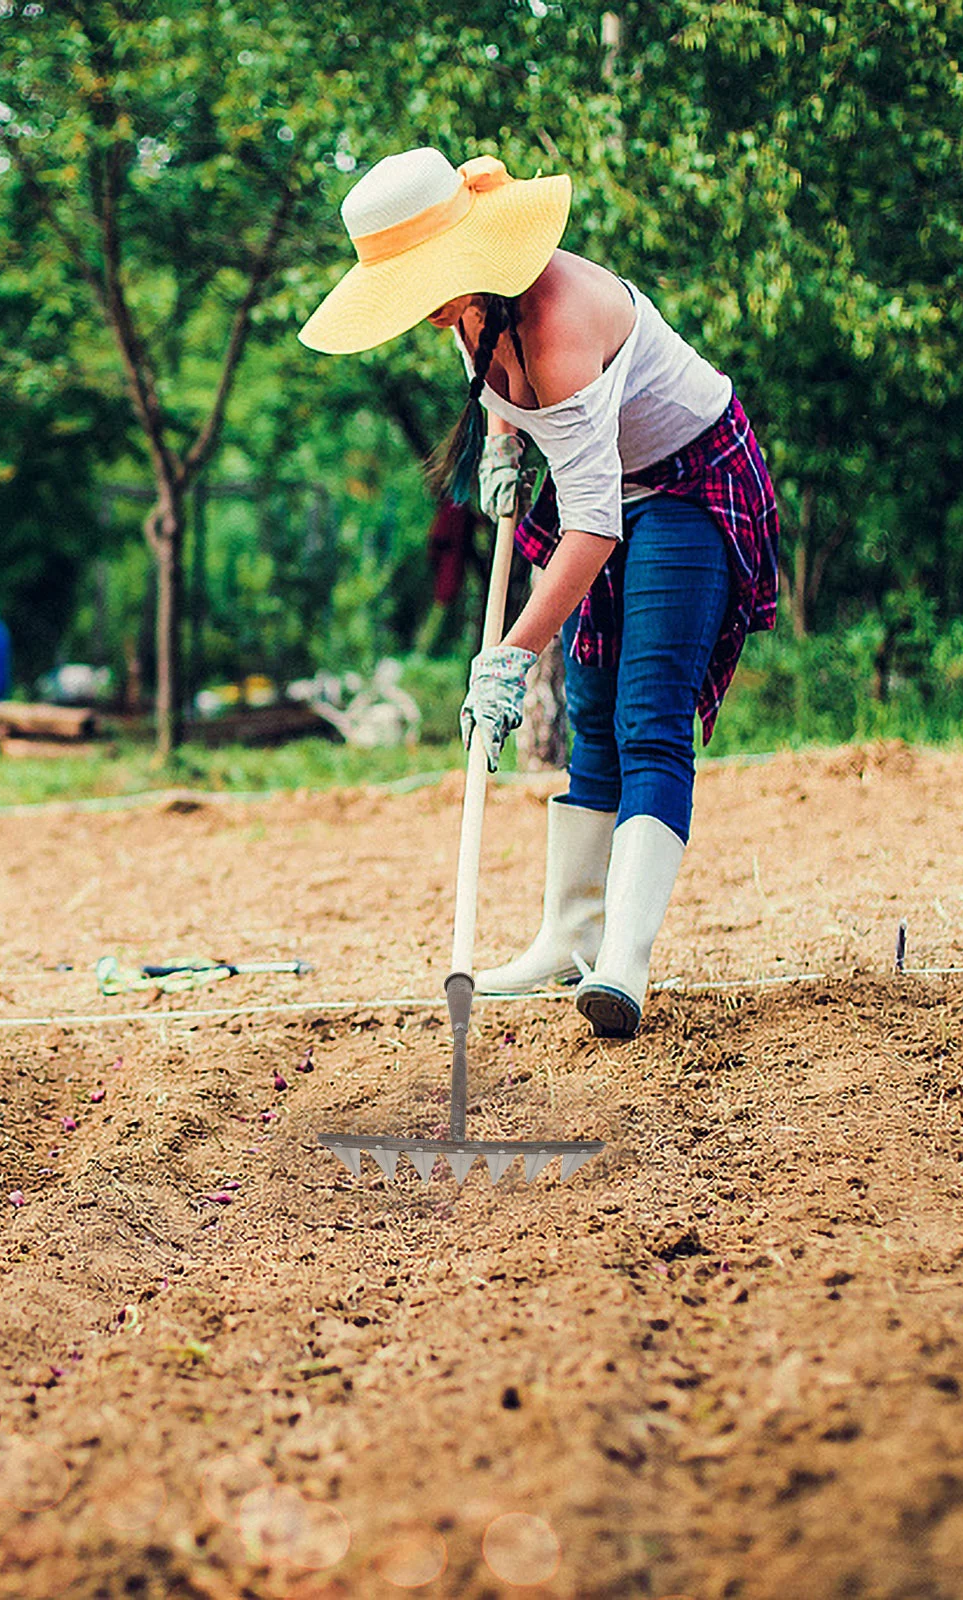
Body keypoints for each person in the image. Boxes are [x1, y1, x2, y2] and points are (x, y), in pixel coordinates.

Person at [299, 146, 778, 1038]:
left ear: (464, 253)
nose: (422, 303)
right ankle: (569, 937)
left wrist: (509, 658)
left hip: (687, 483)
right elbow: (505, 393)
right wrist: (501, 445)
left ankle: (623, 961)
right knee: (591, 711)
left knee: (649, 714)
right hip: (604, 486)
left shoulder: (557, 321)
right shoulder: (468, 309)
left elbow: (593, 527)